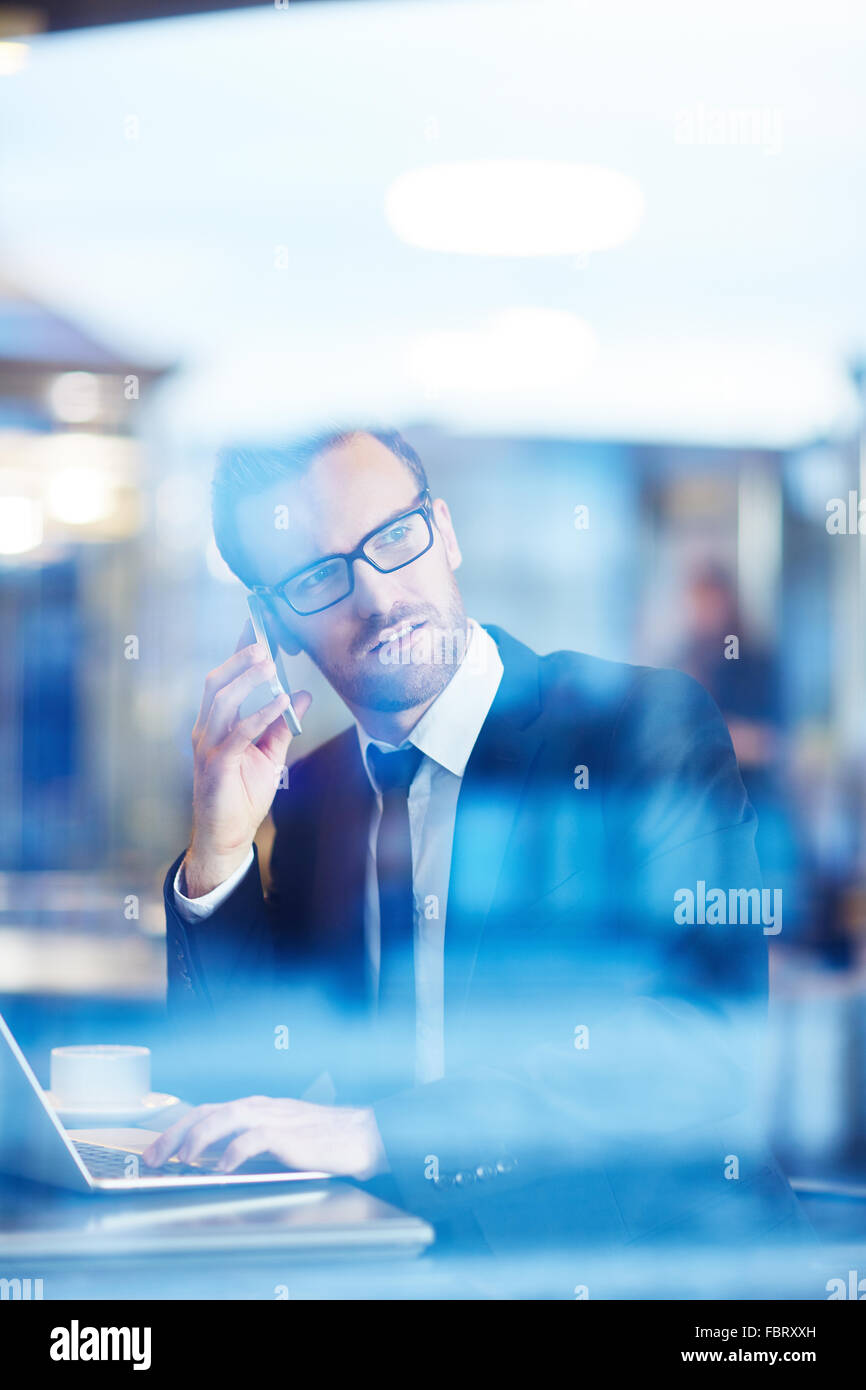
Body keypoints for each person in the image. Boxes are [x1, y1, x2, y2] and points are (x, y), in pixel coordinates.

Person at [146, 428, 806, 1255]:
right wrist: (218, 851)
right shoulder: (316, 797)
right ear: (273, 625)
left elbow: (703, 1038)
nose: (380, 598)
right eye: (319, 576)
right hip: (419, 1266)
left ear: (445, 531)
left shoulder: (638, 728)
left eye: (392, 537)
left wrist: (383, 1134)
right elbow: (241, 1089)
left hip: (659, 1268)